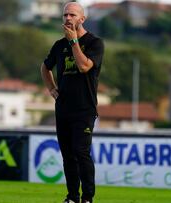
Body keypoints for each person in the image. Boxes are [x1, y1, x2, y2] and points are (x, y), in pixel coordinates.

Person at [40, 2, 104, 203]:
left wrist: (74, 41)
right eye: (65, 15)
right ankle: (72, 197)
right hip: (63, 108)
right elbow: (45, 67)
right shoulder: (59, 45)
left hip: (84, 108)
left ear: (82, 19)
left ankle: (87, 198)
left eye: (72, 15)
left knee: (81, 152)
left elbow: (84, 66)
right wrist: (51, 88)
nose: (68, 18)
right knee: (68, 155)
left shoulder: (95, 43)